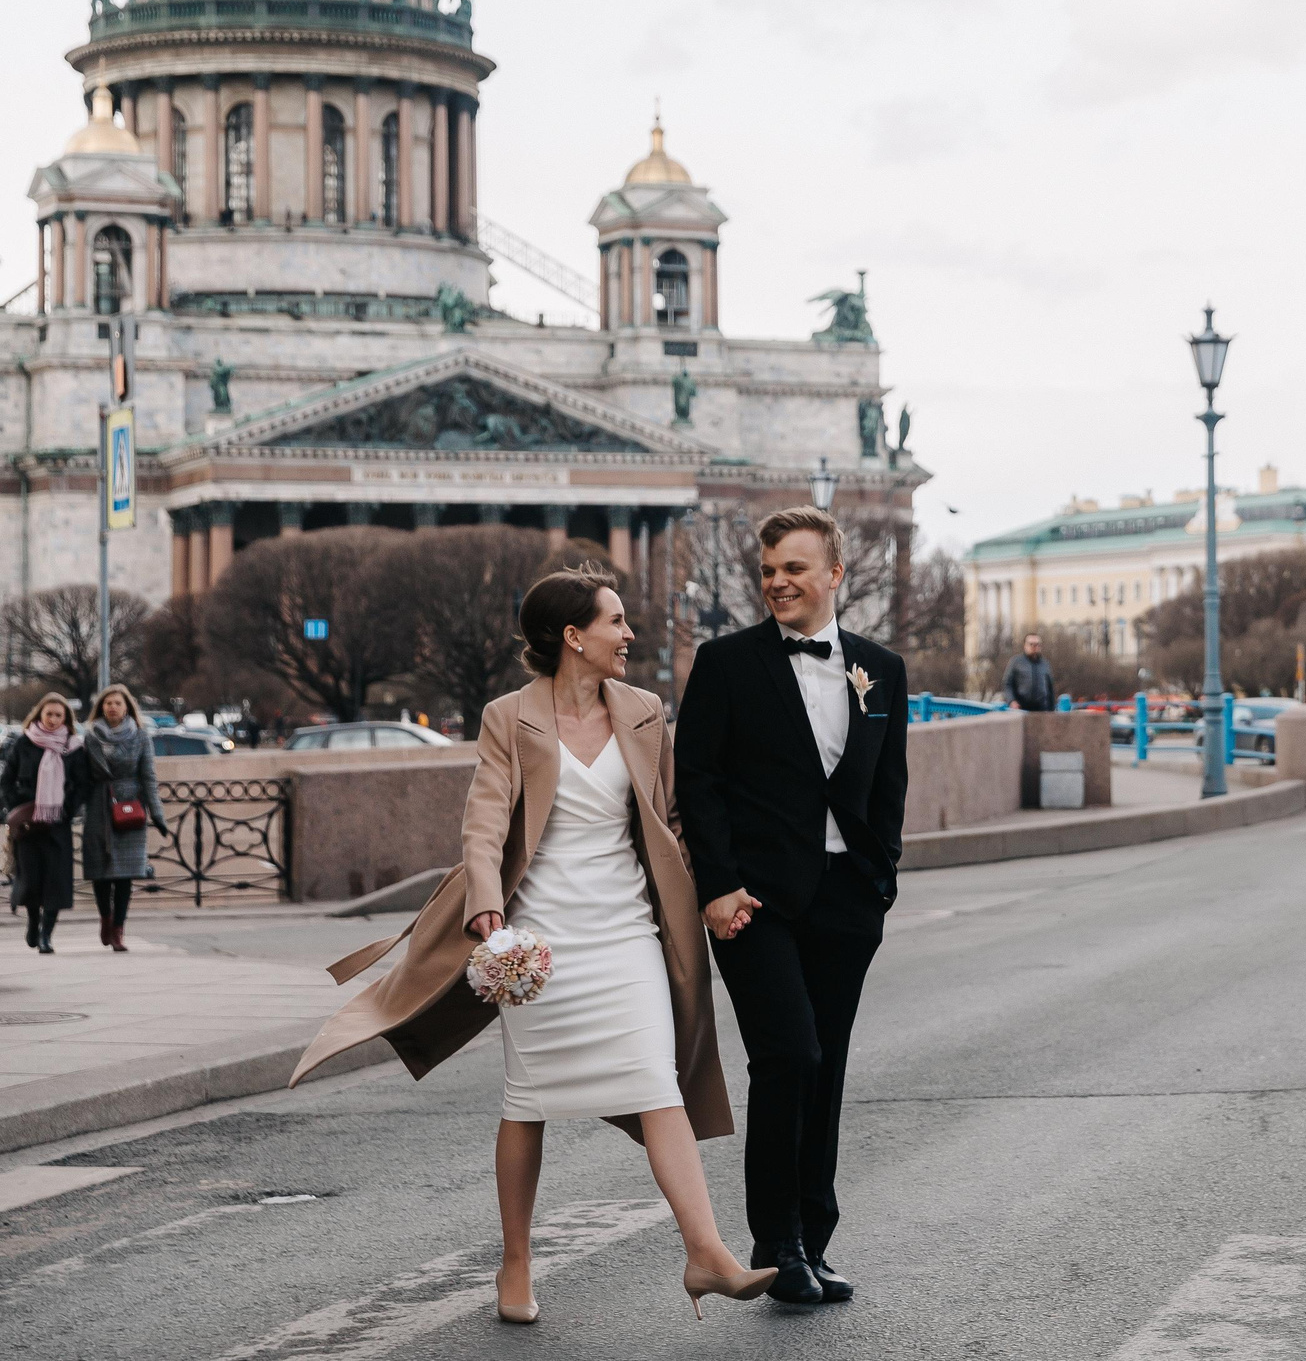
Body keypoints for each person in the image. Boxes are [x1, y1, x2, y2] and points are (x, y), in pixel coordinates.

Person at [292, 566, 772, 1326]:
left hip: (628, 934)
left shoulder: (645, 712)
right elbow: (483, 823)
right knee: (530, 1099)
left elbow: (675, 818)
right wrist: (486, 904)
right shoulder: (508, 716)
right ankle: (516, 1258)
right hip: (539, 943)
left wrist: (709, 890)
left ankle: (706, 1250)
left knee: (657, 1080)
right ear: (573, 637)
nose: (629, 634)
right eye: (616, 621)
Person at [674, 507, 907, 1307]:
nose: (778, 581)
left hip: (847, 902)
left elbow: (887, 785)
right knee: (790, 1056)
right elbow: (696, 782)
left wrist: (882, 878)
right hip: (755, 904)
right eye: (769, 569)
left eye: (795, 568)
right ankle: (778, 1243)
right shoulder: (726, 662)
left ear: (834, 574)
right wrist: (715, 887)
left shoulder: (880, 668)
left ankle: (814, 1235)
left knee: (828, 1066)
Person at [4, 695, 91, 954]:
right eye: (48, 714)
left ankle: (46, 935)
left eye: (58, 715)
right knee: (30, 878)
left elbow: (83, 784)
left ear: (66, 719)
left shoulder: (73, 747)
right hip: (29, 824)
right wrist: (15, 806)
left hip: (57, 824)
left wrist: (66, 810)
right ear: (39, 714)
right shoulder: (24, 742)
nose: (52, 720)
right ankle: (33, 922)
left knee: (56, 879)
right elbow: (6, 779)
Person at [82, 684, 166, 952]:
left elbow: (149, 777)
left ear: (127, 707)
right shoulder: (90, 737)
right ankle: (105, 917)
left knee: (124, 876)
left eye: (117, 703)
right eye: (108, 703)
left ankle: (118, 929)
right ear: (101, 707)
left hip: (130, 808)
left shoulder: (141, 737)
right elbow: (79, 776)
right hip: (98, 805)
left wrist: (158, 814)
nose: (112, 707)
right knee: (100, 872)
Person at [1002, 633, 1055, 713]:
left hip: (1042, 709)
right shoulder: (1016, 662)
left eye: (1037, 644)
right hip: (1021, 708)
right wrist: (1011, 701)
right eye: (1031, 644)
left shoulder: (1045, 664)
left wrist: (1052, 708)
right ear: (1025, 645)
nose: (1034, 647)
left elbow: (1050, 688)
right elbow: (1007, 683)